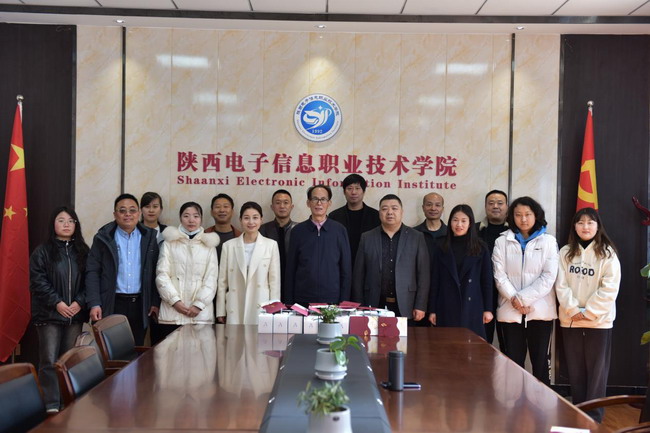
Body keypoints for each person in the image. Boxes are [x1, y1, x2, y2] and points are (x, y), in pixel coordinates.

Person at [556, 207, 620, 422]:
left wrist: (589, 312)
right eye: (581, 222)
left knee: (597, 371)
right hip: (571, 319)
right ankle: (579, 410)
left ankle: (594, 415)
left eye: (590, 222)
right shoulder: (565, 252)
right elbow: (560, 285)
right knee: (575, 369)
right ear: (574, 226)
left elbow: (610, 288)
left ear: (597, 226)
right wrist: (574, 310)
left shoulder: (608, 253)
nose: (585, 227)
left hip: (599, 321)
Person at [492, 196, 558, 385]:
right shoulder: (502, 241)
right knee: (512, 364)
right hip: (510, 311)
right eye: (518, 214)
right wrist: (515, 300)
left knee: (541, 364)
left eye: (528, 214)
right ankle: (513, 402)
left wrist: (522, 299)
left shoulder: (548, 241)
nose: (523, 219)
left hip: (540, 311)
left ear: (536, 215)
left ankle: (543, 403)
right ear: (512, 217)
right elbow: (499, 275)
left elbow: (549, 277)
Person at [29, 206, 89, 413]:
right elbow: (38, 281)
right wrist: (58, 303)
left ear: (76, 225)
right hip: (49, 315)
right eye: (61, 220)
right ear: (53, 224)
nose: (66, 224)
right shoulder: (42, 251)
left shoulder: (83, 251)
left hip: (75, 314)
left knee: (69, 360)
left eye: (71, 221)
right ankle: (51, 404)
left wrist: (79, 302)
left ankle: (67, 402)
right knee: (49, 360)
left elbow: (91, 280)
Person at [86, 193, 160, 346]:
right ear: (115, 214)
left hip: (140, 304)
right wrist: (94, 303)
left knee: (137, 349)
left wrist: (154, 302)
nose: (128, 214)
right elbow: (92, 272)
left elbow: (155, 272)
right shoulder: (103, 238)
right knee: (111, 350)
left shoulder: (149, 237)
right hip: (112, 302)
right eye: (122, 210)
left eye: (132, 210)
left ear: (138, 213)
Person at [352, 194, 429, 324]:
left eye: (394, 208)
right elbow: (358, 275)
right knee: (373, 337)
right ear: (379, 213)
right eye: (384, 209)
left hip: (406, 305)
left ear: (402, 212)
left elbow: (424, 275)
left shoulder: (416, 237)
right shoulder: (367, 237)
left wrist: (420, 305)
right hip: (374, 304)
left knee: (406, 338)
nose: (390, 212)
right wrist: (359, 306)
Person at [155, 202, 219, 339]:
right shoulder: (169, 243)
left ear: (201, 219)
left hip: (200, 315)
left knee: (199, 352)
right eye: (186, 216)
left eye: (196, 216)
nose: (191, 220)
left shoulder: (209, 246)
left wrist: (199, 304)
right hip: (172, 314)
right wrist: (174, 301)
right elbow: (162, 275)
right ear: (180, 218)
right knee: (170, 351)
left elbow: (211, 279)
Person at [428, 204, 493, 338]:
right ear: (450, 222)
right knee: (446, 345)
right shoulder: (441, 247)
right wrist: (432, 310)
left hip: (472, 305)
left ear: (470, 223)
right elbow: (435, 281)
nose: (459, 224)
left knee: (471, 345)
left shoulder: (480, 247)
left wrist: (488, 309)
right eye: (455, 220)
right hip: (445, 304)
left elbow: (486, 281)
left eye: (463, 221)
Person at [285, 184, 351, 304]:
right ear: (308, 203)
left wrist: (343, 302)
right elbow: (290, 269)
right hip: (303, 299)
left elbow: (346, 270)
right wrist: (289, 302)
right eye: (315, 199)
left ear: (329, 203)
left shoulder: (339, 230)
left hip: (332, 299)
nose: (319, 203)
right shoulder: (298, 231)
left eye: (323, 199)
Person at [217, 202, 281, 324]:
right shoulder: (229, 246)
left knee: (259, 336)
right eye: (246, 218)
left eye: (255, 217)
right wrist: (220, 310)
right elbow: (222, 282)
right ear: (240, 220)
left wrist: (274, 309)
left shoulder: (271, 245)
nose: (251, 222)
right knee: (235, 336)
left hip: (260, 303)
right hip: (235, 304)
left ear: (261, 220)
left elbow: (274, 282)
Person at [476, 189, 509, 345]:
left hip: (508, 294)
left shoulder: (515, 231)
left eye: (500, 203)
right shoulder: (474, 230)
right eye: (491, 203)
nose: (495, 206)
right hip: (481, 294)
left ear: (507, 207)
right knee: (482, 342)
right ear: (485, 206)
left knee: (508, 344)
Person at [329, 174, 380, 269]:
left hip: (369, 266)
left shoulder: (376, 216)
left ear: (364, 191)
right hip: (341, 265)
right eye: (349, 188)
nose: (353, 192)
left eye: (357, 188)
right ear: (344, 192)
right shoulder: (334, 216)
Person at [259, 189, 298, 295]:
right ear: (272, 207)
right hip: (268, 283)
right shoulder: (262, 230)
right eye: (278, 203)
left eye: (286, 202)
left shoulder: (299, 230)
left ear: (292, 206)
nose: (282, 206)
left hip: (294, 283)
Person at [205, 193, 241, 261]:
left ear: (232, 212)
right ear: (211, 212)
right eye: (217, 207)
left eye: (226, 206)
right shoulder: (204, 235)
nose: (222, 210)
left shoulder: (241, 237)